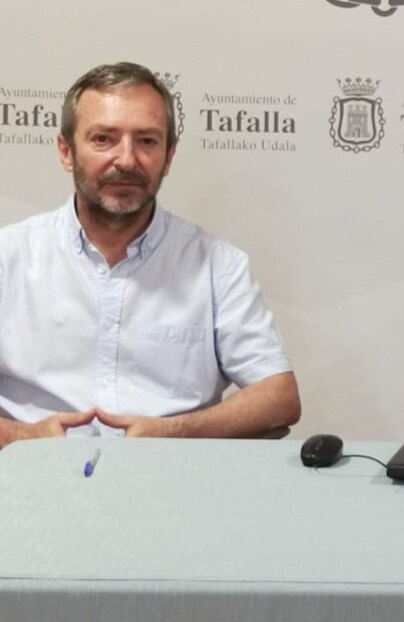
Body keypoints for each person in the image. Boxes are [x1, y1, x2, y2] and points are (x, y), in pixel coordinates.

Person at [0, 63, 300, 447]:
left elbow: (278, 398)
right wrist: (25, 436)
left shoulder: (218, 266)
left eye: (146, 141)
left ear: (169, 155)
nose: (126, 159)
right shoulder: (9, 258)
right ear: (66, 151)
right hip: (27, 482)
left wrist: (172, 433)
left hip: (173, 482)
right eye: (104, 139)